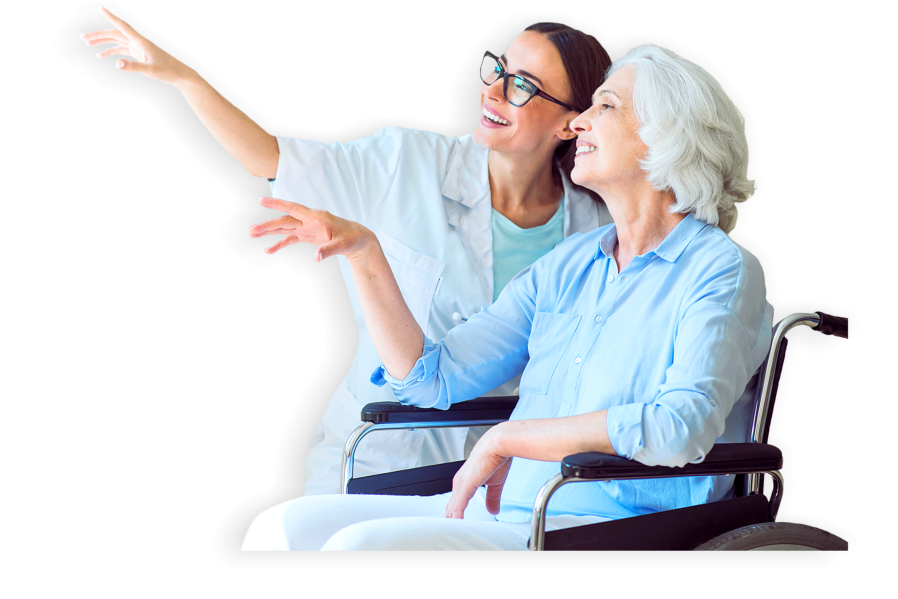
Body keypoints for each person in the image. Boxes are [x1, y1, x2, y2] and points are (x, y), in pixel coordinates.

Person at [240, 41, 772, 550]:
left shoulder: (721, 269)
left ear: (667, 138)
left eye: (605, 106)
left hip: (604, 521)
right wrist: (363, 251)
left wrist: (507, 439)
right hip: (508, 509)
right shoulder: (569, 264)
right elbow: (433, 378)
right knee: (282, 528)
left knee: (360, 546)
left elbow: (681, 426)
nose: (580, 122)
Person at [78, 6, 614, 494]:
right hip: (381, 455)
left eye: (523, 85)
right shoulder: (406, 160)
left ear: (573, 122)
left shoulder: (598, 226)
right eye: (497, 69)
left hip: (500, 476)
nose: (494, 90)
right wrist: (183, 78)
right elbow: (268, 156)